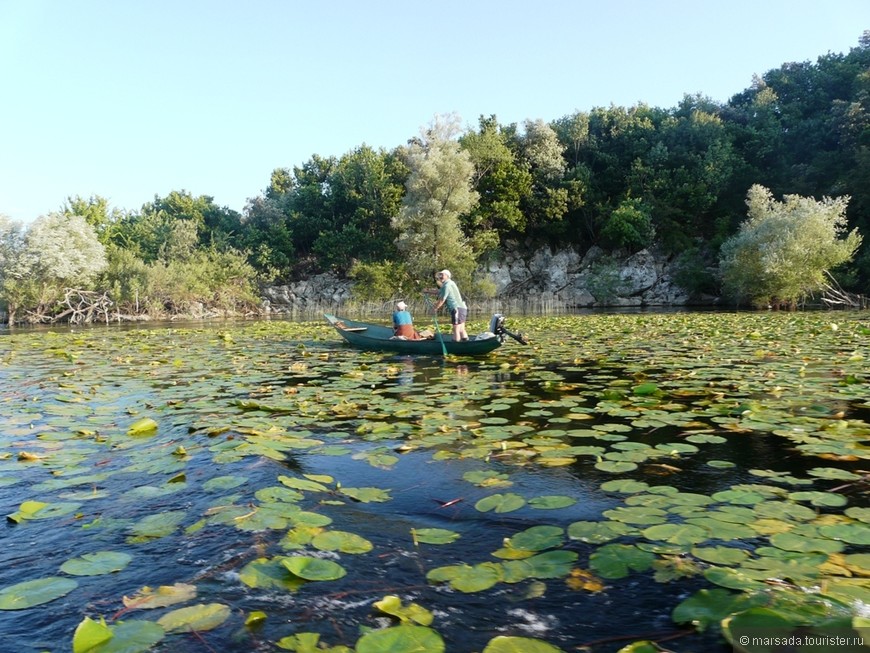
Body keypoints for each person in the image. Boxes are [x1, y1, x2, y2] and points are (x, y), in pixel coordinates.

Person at [430, 269, 468, 342]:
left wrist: (434, 309)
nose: (440, 277)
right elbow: (439, 291)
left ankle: (455, 344)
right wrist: (428, 291)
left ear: (447, 276)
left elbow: (442, 300)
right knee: (461, 329)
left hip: (456, 308)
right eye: (440, 275)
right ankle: (465, 342)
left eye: (442, 275)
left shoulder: (447, 285)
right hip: (462, 308)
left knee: (456, 329)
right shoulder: (450, 283)